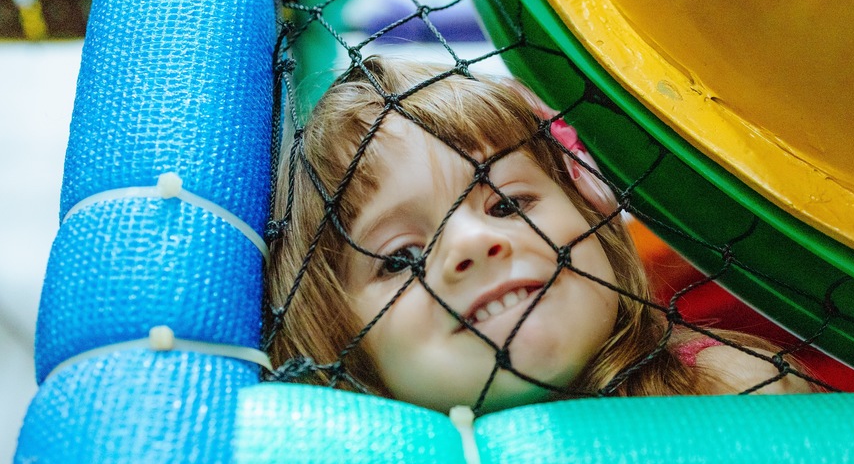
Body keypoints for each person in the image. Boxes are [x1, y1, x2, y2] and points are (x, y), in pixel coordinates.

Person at [266, 56, 815, 413]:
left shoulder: (731, 391)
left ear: (592, 214)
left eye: (506, 203)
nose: (472, 244)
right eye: (401, 259)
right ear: (338, 337)